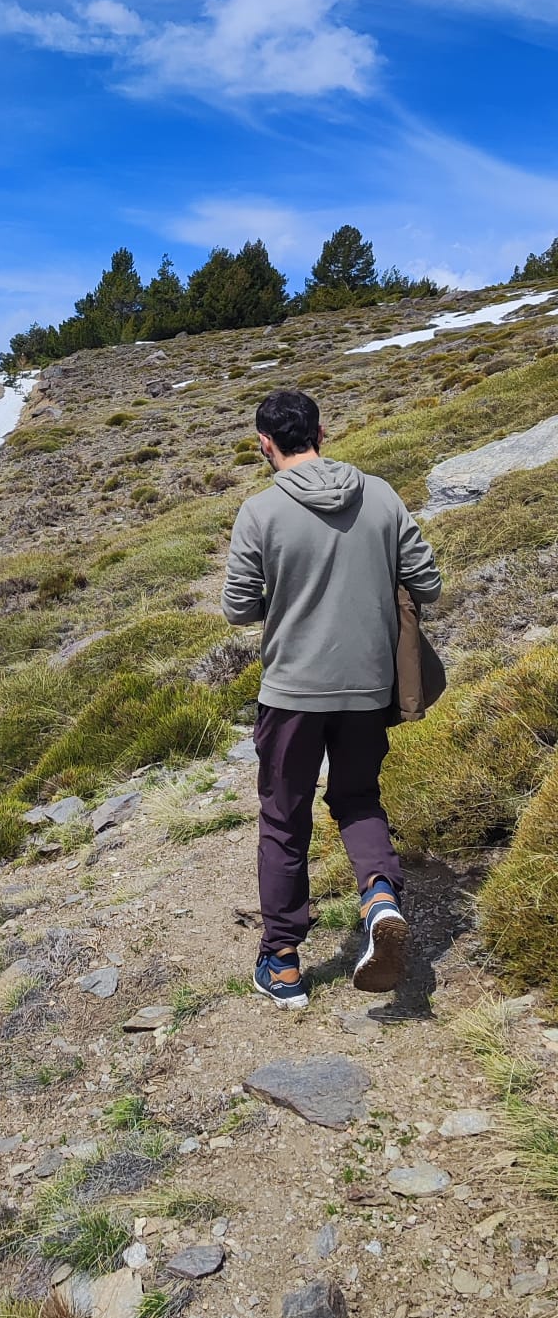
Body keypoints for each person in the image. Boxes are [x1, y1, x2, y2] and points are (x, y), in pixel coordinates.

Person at [222, 386, 441, 1009]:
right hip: (369, 687)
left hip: (291, 691)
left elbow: (238, 608)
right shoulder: (382, 494)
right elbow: (429, 581)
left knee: (284, 818)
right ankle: (378, 898)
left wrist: (287, 599)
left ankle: (284, 963)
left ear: (265, 443)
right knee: (357, 798)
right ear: (323, 431)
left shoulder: (259, 511)